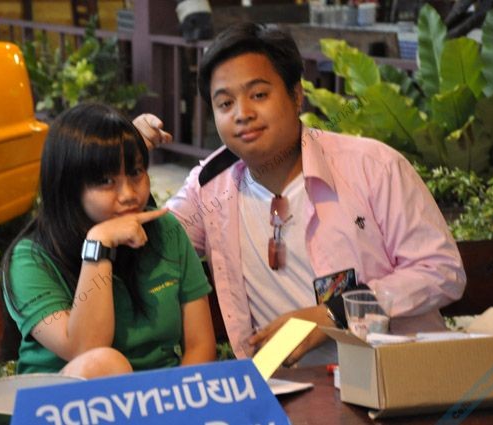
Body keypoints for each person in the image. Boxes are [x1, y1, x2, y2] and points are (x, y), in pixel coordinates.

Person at [135, 22, 466, 366]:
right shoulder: (209, 189)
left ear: (296, 95)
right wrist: (128, 155)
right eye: (225, 103)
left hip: (393, 374)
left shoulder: (372, 167)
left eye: (258, 95)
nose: (242, 114)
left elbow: (441, 270)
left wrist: (335, 313)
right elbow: (146, 242)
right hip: (285, 386)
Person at [2, 102, 216, 378]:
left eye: (135, 172)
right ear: (69, 186)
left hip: (156, 397)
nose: (128, 194)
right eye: (105, 180)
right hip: (64, 399)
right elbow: (86, 349)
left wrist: (171, 401)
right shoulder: (30, 258)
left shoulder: (166, 232)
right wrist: (98, 245)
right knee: (105, 363)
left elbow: (200, 346)